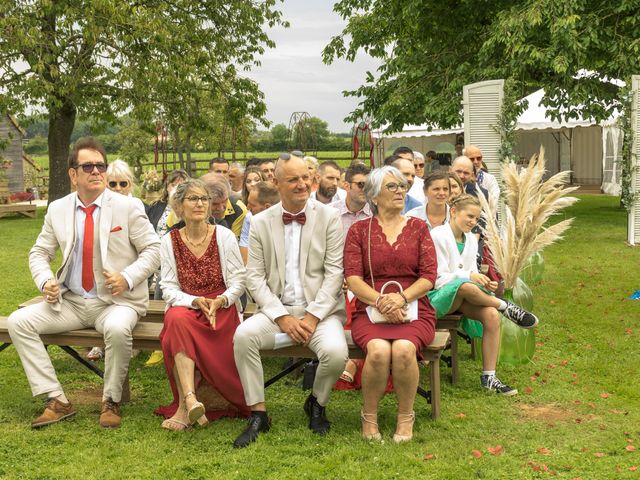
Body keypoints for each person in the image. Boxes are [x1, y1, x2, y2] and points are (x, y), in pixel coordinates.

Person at [7, 137, 160, 429]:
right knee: (18, 322)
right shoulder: (58, 209)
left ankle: (111, 401)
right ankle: (57, 400)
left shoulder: (128, 207)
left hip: (116, 302)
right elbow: (40, 252)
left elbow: (154, 250)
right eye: (87, 166)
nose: (96, 171)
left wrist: (127, 277)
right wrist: (45, 281)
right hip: (72, 301)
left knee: (116, 328)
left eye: (100, 165)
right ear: (72, 174)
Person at [232, 153, 347, 448]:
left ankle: (317, 402)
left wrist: (312, 316)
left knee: (335, 353)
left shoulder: (329, 217)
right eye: (293, 179)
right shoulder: (259, 222)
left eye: (306, 178)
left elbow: (335, 273)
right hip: (276, 312)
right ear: (276, 182)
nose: (302, 184)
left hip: (320, 313)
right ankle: (258, 413)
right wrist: (281, 316)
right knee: (244, 336)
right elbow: (254, 277)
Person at [344, 166, 437, 443]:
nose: (400, 191)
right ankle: (369, 416)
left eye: (401, 186)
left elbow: (429, 276)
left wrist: (402, 298)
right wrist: (382, 301)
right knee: (378, 351)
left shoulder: (419, 228)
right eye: (392, 187)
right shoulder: (359, 230)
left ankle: (405, 416)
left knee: (405, 350)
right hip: (371, 310)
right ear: (373, 196)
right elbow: (353, 278)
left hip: (415, 309)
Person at [155, 178, 250, 430]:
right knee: (176, 319)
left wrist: (221, 300)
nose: (199, 204)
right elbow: (168, 287)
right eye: (193, 199)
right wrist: (194, 301)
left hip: (221, 305)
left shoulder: (224, 235)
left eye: (204, 199)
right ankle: (189, 400)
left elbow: (239, 280)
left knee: (180, 322)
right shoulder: (169, 241)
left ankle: (186, 409)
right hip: (188, 305)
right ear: (179, 206)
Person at [428, 195, 539, 396]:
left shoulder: (470, 238)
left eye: (476, 218)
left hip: (465, 295)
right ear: (453, 212)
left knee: (491, 315)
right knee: (465, 287)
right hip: (438, 297)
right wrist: (469, 276)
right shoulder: (438, 235)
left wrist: (484, 281)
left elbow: (472, 271)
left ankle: (489, 377)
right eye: (469, 216)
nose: (473, 222)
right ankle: (506, 306)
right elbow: (437, 277)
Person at [86, 159, 144, 362]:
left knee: (121, 310)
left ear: (130, 185)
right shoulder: (99, 205)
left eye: (123, 183)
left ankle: (129, 345)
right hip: (101, 269)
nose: (118, 188)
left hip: (129, 270)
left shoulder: (135, 205)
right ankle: (99, 344)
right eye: (113, 184)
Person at [329, 163, 372, 388]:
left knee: (361, 306)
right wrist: (340, 279)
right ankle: (350, 361)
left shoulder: (377, 214)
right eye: (361, 185)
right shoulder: (330, 213)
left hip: (369, 280)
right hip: (337, 279)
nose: (366, 190)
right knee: (343, 307)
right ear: (346, 185)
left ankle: (353, 362)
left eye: (370, 185)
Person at [143, 169, 190, 367]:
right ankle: (156, 341)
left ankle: (167, 344)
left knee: (164, 280)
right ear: (167, 187)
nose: (176, 187)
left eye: (181, 184)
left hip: (179, 258)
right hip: (156, 254)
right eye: (173, 184)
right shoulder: (156, 207)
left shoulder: (189, 209)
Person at [239, 181, 280, 264]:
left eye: (252, 205)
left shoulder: (288, 220)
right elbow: (244, 244)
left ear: (267, 207)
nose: (247, 208)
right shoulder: (249, 218)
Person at [200, 173, 247, 240]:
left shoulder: (240, 210)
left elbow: (233, 243)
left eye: (225, 201)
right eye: (215, 204)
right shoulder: (192, 209)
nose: (221, 208)